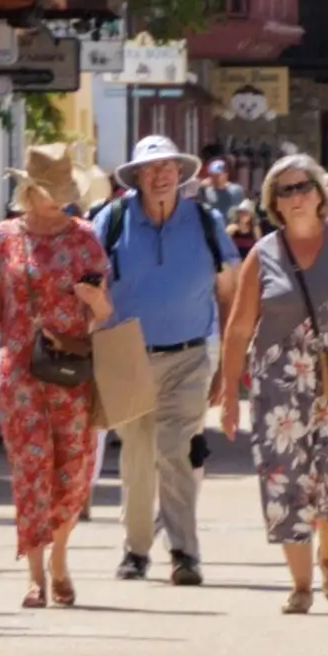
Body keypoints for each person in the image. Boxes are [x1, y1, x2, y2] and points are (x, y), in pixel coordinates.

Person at [0, 155, 110, 607]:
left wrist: (95, 301)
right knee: (30, 469)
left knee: (74, 471)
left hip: (73, 368)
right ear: (30, 192)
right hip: (19, 368)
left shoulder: (86, 241)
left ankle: (60, 554)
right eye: (49, 189)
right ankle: (37, 575)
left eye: (65, 190)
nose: (60, 199)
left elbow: (105, 312)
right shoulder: (3, 239)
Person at [221, 154, 328, 615]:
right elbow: (238, 327)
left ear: (320, 192)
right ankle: (301, 584)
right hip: (277, 385)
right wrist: (228, 392)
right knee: (284, 481)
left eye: (303, 186)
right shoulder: (262, 253)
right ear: (274, 202)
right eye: (285, 190)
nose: (296, 196)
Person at [98, 131, 227, 583]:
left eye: (168, 168)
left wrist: (229, 361)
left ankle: (184, 554)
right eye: (151, 169)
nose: (160, 176)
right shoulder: (111, 220)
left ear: (181, 174)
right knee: (136, 458)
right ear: (135, 177)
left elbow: (227, 290)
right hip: (126, 354)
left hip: (189, 356)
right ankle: (135, 551)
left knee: (175, 450)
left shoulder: (206, 221)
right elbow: (85, 284)